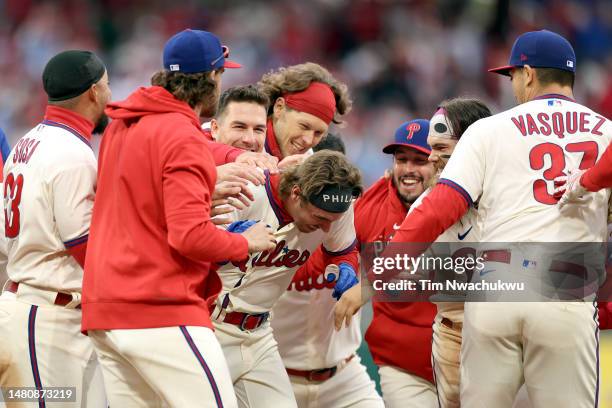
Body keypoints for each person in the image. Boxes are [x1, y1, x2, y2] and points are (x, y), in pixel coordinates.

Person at [338, 29, 611, 407]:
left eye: (514, 75)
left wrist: (376, 277)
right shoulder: (606, 133)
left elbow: (438, 208)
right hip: (566, 285)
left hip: (494, 290)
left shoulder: (489, 130)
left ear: (529, 74)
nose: (513, 84)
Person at [81, 29, 276, 407]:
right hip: (158, 309)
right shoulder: (182, 136)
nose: (221, 83)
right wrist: (243, 242)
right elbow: (189, 237)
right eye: (220, 74)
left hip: (105, 310)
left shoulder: (123, 124)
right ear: (209, 78)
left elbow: (143, 201)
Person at [0, 50, 111, 406]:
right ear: (94, 92)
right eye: (107, 87)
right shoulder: (71, 152)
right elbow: (85, 248)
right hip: (44, 321)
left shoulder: (28, 140)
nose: (111, 95)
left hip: (43, 310)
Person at [213, 151, 362, 408]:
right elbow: (191, 250)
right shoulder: (248, 192)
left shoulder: (336, 207)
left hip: (258, 334)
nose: (326, 228)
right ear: (296, 193)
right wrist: (231, 244)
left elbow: (343, 250)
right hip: (211, 326)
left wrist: (345, 266)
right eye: (320, 218)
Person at [270, 133, 383, 408]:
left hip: (343, 376)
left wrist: (368, 285)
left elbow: (417, 261)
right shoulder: (276, 221)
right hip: (275, 377)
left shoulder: (357, 217)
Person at [352, 119, 439, 408]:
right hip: (401, 364)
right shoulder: (369, 207)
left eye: (420, 160)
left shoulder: (462, 203)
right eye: (401, 159)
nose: (409, 169)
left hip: (467, 360)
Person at [257, 62, 351, 160]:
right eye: (304, 126)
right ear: (279, 107)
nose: (308, 140)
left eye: (318, 133)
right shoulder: (244, 145)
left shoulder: (313, 165)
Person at [210, 85, 269, 152]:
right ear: (215, 129)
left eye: (259, 129)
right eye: (239, 127)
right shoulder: (197, 154)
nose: (250, 140)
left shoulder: (274, 160)